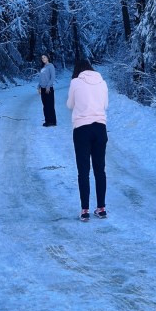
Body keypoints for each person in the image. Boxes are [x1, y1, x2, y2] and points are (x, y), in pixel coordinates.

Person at [66, 59, 109, 220]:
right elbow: (105, 105)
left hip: (82, 129)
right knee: (100, 170)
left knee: (83, 171)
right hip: (100, 128)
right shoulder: (102, 82)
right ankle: (101, 208)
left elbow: (70, 105)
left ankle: (85, 211)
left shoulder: (75, 82)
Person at [37, 54, 57, 127]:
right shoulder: (43, 68)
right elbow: (40, 78)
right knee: (45, 105)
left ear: (48, 58)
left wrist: (48, 86)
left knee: (50, 105)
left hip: (48, 89)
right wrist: (39, 87)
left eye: (44, 57)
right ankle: (47, 121)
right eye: (42, 58)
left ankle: (53, 121)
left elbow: (53, 77)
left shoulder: (51, 66)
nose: (43, 59)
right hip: (42, 89)